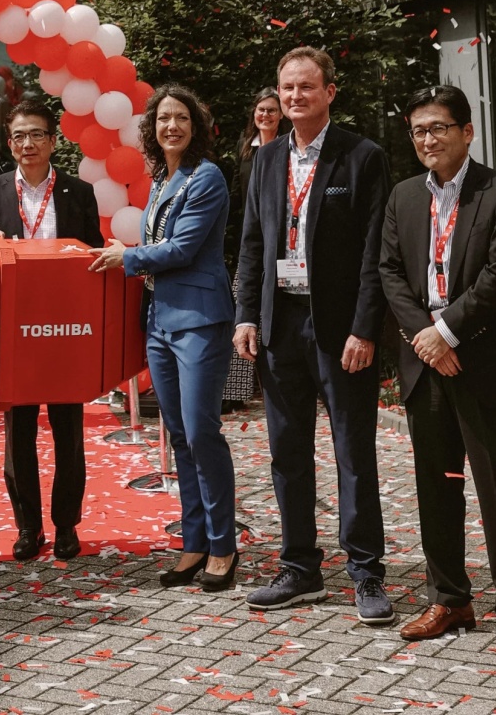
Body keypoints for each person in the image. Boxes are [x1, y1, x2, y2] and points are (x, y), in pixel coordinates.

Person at [380, 85, 496, 660]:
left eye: (439, 128)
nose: (428, 139)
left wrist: (446, 330)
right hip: (426, 363)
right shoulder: (403, 194)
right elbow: (390, 273)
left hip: (486, 359)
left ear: (467, 132)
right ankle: (449, 597)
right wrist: (427, 342)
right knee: (435, 485)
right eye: (419, 130)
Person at [233, 47, 393, 624]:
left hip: (340, 330)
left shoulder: (362, 157)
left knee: (354, 452)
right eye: (287, 88)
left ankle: (366, 572)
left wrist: (364, 327)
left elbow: (378, 253)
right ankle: (300, 567)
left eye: (306, 87)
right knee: (287, 453)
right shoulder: (268, 158)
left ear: (330, 92)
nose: (295, 97)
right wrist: (246, 314)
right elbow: (253, 242)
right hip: (281, 328)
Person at [90, 84, 238, 591]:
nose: (170, 126)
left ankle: (223, 546)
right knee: (177, 437)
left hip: (199, 318)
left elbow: (182, 248)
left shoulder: (208, 177)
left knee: (201, 433)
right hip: (160, 323)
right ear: (152, 131)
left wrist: (125, 257)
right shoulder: (160, 180)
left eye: (180, 118)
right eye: (162, 119)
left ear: (194, 127)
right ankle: (193, 542)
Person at [0, 100, 103, 562]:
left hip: (65, 327)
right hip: (13, 330)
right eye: (19, 137)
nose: (27, 144)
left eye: (37, 135)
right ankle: (28, 527)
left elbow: (94, 255)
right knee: (18, 431)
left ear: (53, 140)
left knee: (69, 430)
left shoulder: (79, 192)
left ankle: (66, 525)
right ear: (10, 143)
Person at [222, 87, 283, 410]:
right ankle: (236, 392)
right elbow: (236, 194)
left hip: (283, 243)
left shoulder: (290, 147)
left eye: (272, 110)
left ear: (281, 114)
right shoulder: (246, 149)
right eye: (261, 110)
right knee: (244, 313)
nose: (266, 116)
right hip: (252, 242)